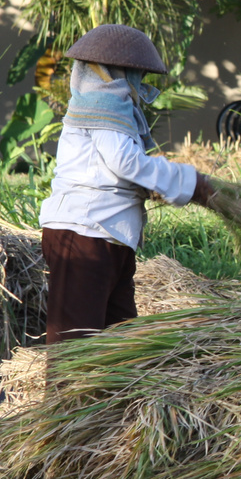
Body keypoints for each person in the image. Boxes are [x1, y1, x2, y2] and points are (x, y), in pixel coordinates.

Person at [38, 25, 214, 343]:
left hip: (109, 235)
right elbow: (125, 162)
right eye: (134, 73)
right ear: (116, 71)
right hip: (85, 232)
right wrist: (189, 182)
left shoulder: (113, 107)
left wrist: (158, 186)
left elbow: (120, 167)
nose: (138, 82)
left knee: (119, 339)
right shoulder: (100, 104)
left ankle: (113, 395)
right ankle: (70, 395)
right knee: (76, 344)